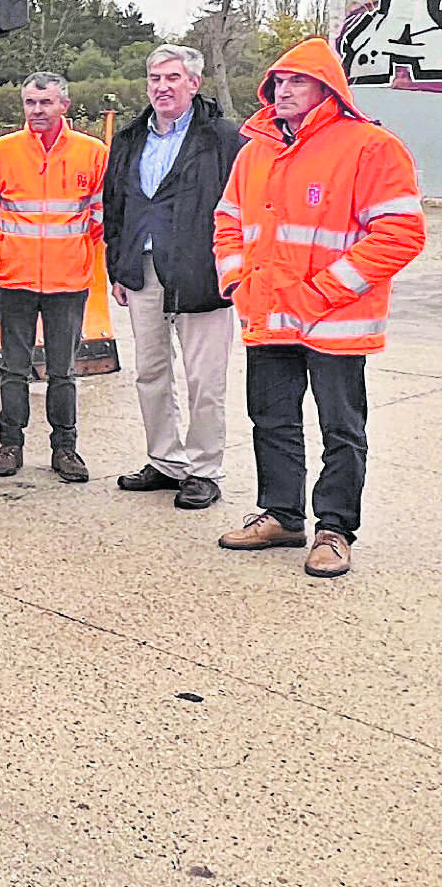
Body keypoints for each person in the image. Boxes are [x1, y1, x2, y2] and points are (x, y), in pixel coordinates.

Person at [213, 39, 425, 578]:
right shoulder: (256, 150)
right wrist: (236, 280)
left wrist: (323, 291)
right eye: (278, 82)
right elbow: (228, 220)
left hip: (336, 322)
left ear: (327, 89)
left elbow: (401, 233)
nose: (283, 90)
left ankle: (335, 529)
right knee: (272, 421)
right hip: (268, 316)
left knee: (341, 429)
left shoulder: (370, 147)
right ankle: (282, 515)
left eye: (297, 81)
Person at [103, 45, 244, 510]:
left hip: (202, 272)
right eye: (155, 78)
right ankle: (165, 461)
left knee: (205, 378)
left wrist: (235, 267)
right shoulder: (129, 139)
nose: (162, 87)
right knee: (151, 373)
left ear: (194, 83)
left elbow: (244, 205)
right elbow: (116, 205)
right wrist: (118, 266)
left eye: (172, 78)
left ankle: (204, 470)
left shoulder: (224, 138)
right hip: (142, 272)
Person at [0, 72, 108, 482]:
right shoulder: (0, 153)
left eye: (46, 102)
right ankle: (10, 445)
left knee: (63, 371)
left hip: (68, 284)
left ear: (64, 105)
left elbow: (101, 218)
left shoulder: (93, 154)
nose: (37, 110)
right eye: (31, 103)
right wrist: (6, 259)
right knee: (13, 369)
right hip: (14, 281)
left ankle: (65, 449)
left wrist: (72, 255)